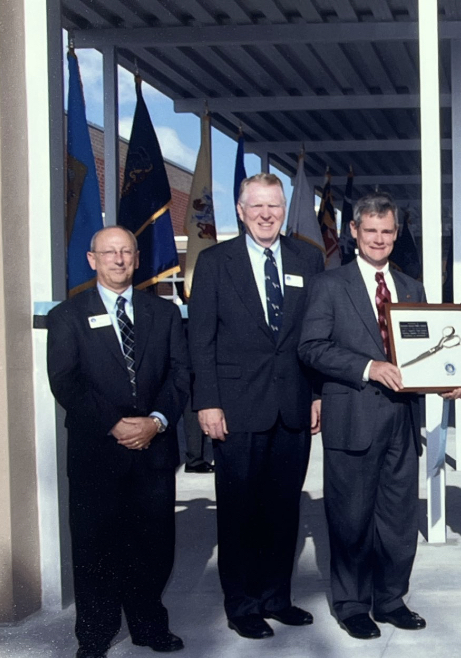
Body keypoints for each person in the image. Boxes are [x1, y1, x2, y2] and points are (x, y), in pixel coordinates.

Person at [298, 192, 461, 640]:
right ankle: (352, 605)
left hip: (401, 422)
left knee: (396, 518)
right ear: (353, 232)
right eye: (369, 231)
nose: (378, 239)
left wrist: (444, 381)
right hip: (352, 418)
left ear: (396, 233)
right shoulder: (330, 286)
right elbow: (311, 347)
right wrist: (368, 367)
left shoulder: (412, 287)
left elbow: (423, 356)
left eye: (386, 231)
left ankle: (391, 599)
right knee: (350, 519)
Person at [188, 173, 325, 640]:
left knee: (284, 508)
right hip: (235, 406)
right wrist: (207, 402)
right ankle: (242, 604)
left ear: (284, 210)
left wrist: (317, 393)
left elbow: (317, 336)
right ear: (241, 211)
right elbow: (200, 340)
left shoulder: (308, 258)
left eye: (275, 206)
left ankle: (276, 597)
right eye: (257, 207)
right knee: (240, 508)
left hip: (293, 404)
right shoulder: (214, 263)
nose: (267, 215)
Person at [47, 226, 190, 658]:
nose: (119, 259)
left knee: (154, 544)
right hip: (97, 453)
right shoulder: (67, 316)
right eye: (109, 252)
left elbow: (180, 375)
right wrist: (115, 424)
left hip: (154, 451)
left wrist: (157, 421)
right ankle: (94, 634)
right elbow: (66, 382)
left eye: (126, 251)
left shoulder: (164, 314)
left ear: (137, 257)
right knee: (95, 547)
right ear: (92, 260)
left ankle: (148, 625)